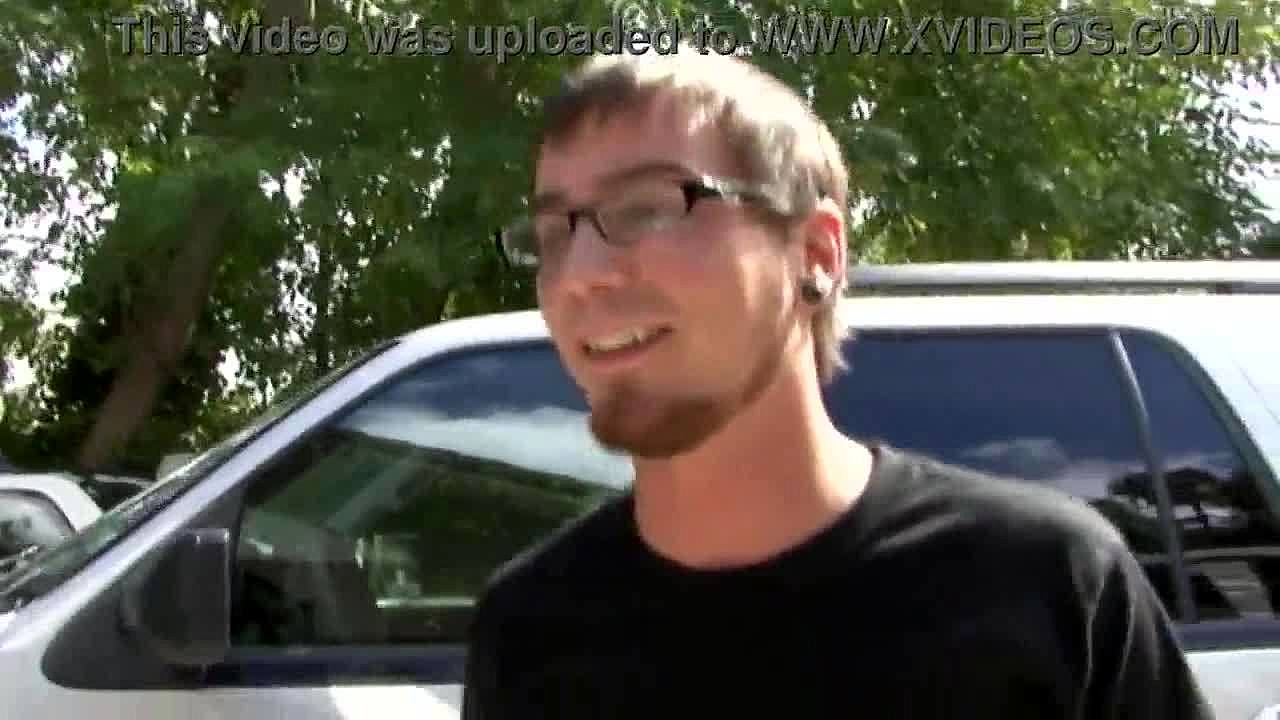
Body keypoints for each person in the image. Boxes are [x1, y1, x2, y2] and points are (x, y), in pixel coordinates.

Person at [463, 46, 1214, 719]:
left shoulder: (1048, 584)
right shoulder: (528, 631)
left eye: (649, 209)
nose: (580, 274)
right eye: (556, 233)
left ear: (816, 254)